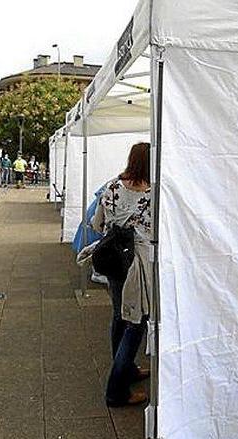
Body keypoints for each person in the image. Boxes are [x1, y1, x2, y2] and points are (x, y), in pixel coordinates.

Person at [91, 142, 153, 407]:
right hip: (139, 263)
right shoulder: (152, 193)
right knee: (136, 322)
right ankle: (117, 390)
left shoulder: (112, 187)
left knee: (119, 315)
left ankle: (126, 368)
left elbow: (97, 224)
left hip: (113, 259)